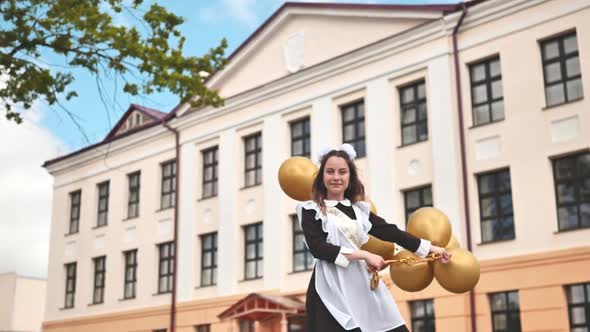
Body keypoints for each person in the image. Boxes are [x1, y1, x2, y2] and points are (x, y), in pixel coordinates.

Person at [296, 144, 451, 332]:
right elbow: (318, 248)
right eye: (330, 172)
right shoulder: (311, 210)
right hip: (329, 287)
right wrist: (365, 255)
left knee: (389, 325)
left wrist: (432, 249)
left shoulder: (359, 210)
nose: (336, 177)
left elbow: (391, 232)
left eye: (342, 172)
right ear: (322, 176)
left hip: (360, 282)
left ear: (350, 177)